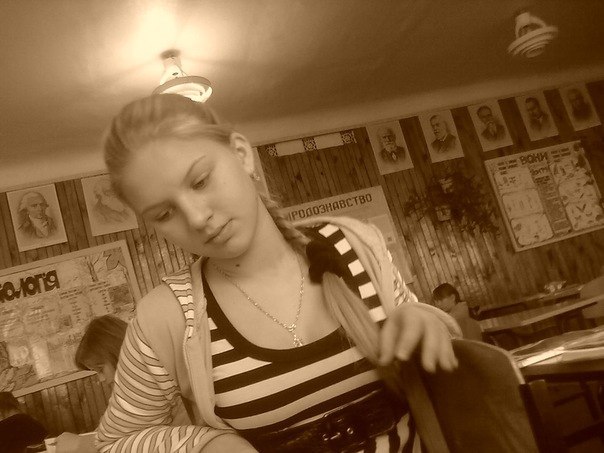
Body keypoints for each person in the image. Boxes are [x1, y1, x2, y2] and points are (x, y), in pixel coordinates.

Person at [96, 93, 461, 452]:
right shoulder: (167, 316)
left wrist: (424, 319)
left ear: (241, 154)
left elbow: (439, 353)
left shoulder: (354, 245)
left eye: (201, 181)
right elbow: (114, 442)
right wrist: (206, 444)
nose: (196, 218)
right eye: (164, 214)